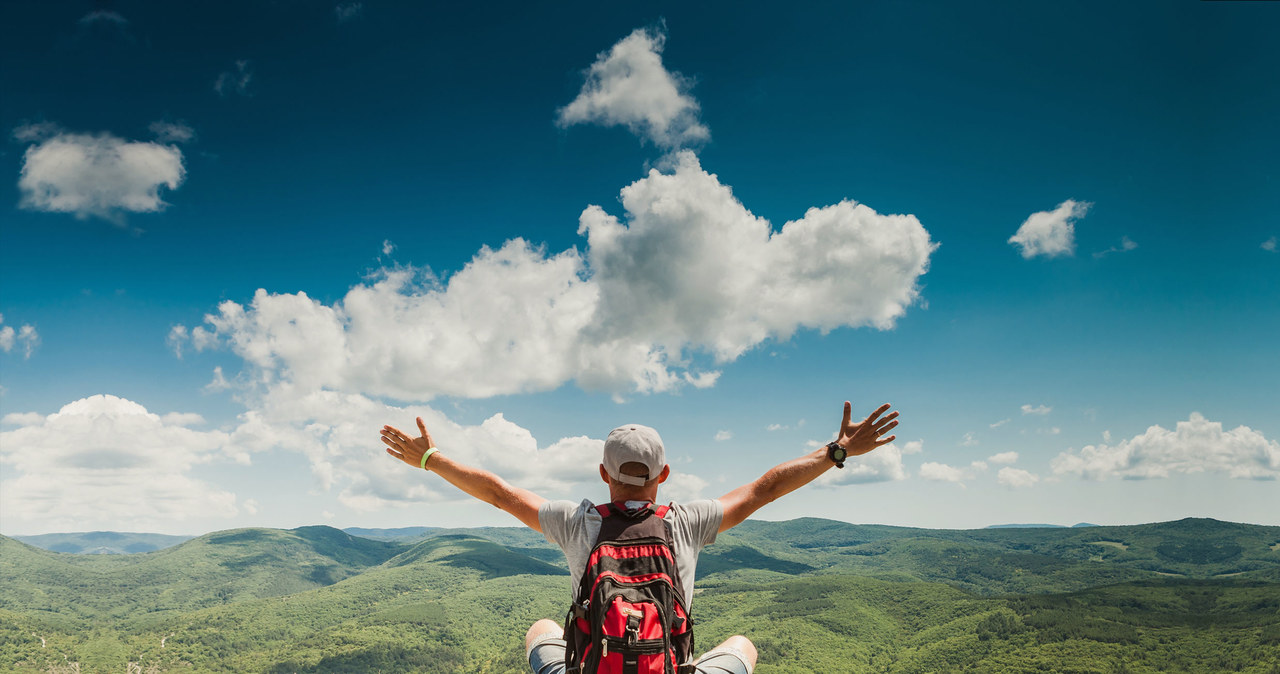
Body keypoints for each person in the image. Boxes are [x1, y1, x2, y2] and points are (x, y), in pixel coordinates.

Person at [381, 401, 898, 674]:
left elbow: (499, 493)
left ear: (603, 474)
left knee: (541, 628)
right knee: (744, 645)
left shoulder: (575, 522)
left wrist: (429, 457)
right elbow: (764, 489)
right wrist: (835, 453)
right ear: (664, 473)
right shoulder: (686, 522)